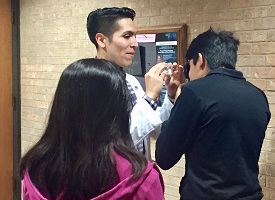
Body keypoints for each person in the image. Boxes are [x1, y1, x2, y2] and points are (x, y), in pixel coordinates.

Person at [20, 58, 164, 200]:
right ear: (120, 109)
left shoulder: (36, 170)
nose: (133, 43)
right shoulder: (141, 180)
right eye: (126, 36)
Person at [155, 28, 271, 199]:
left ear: (200, 60)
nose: (189, 73)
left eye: (189, 65)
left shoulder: (194, 92)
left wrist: (177, 100)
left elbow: (164, 157)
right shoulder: (259, 96)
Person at [87, 7, 184, 159]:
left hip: (139, 175)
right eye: (126, 36)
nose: (135, 44)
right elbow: (116, 144)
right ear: (101, 40)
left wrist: (170, 96)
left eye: (134, 36)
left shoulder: (130, 81)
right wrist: (150, 96)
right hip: (113, 179)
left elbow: (152, 129)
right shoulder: (90, 83)